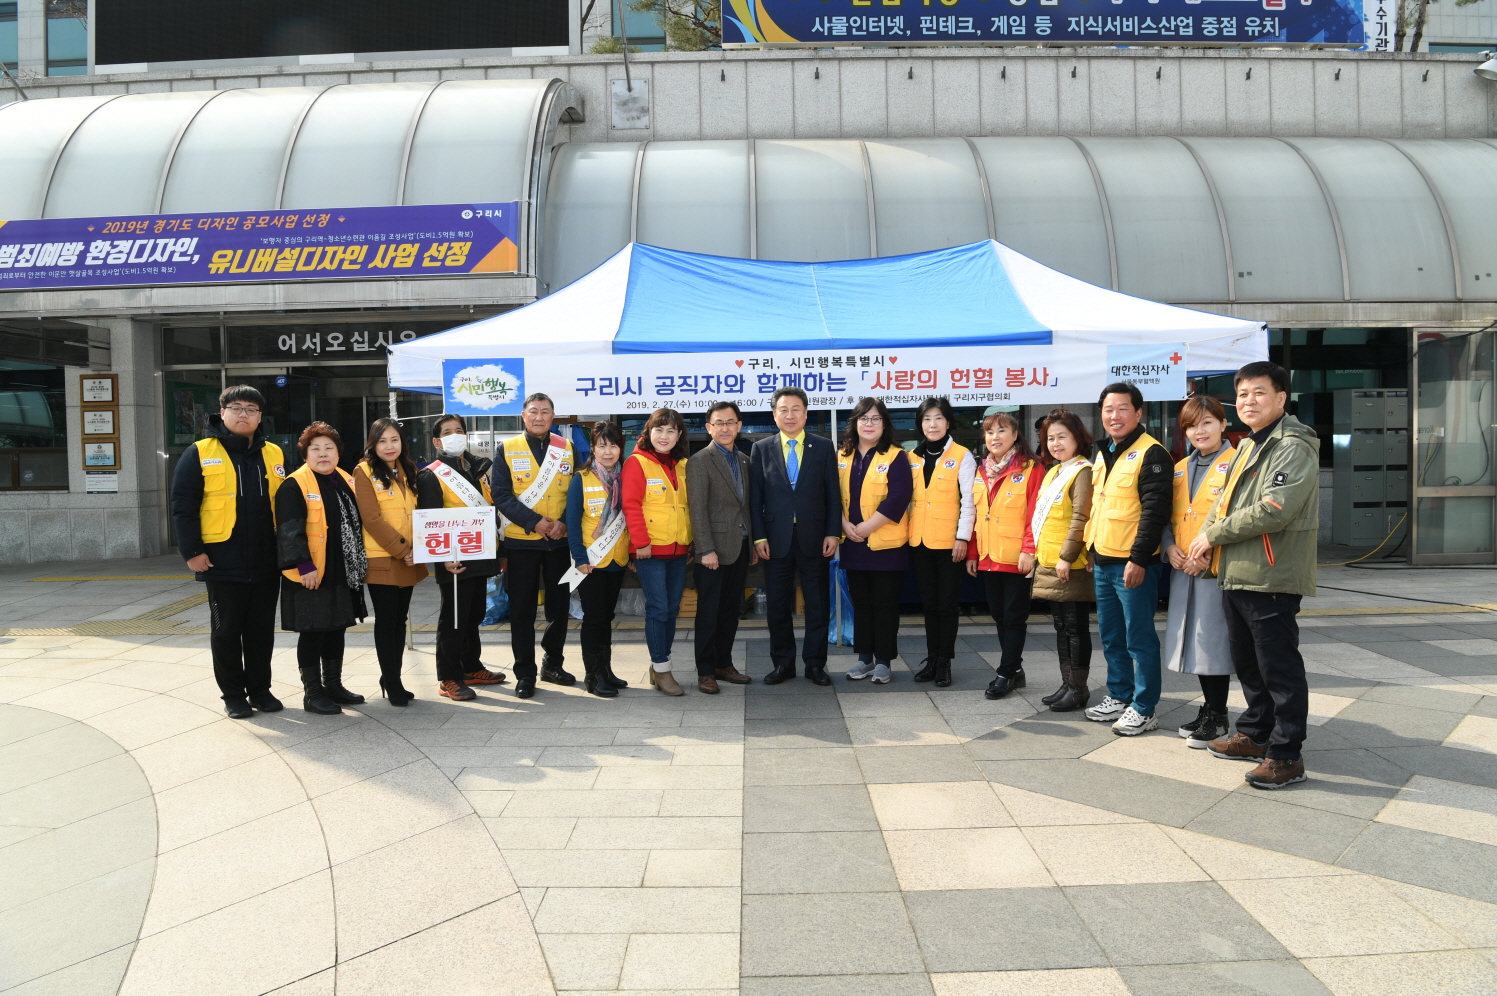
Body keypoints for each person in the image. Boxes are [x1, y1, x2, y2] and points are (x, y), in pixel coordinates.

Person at [1186, 361, 1319, 789]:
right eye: (1242, 394)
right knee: (1248, 664)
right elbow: (1222, 502)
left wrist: (1212, 535)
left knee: (1278, 668)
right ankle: (1256, 733)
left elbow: (1274, 509)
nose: (1248, 401)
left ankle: (1286, 755)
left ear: (1281, 398)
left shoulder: (1292, 445)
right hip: (1239, 570)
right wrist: (1205, 536)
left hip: (1271, 574)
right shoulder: (1248, 445)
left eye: (1259, 393)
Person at [171, 385, 287, 720]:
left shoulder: (274, 454)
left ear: (260, 416)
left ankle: (260, 691)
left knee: (261, 630)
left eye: (251, 409)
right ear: (221, 413)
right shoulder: (199, 452)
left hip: (266, 559)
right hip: (221, 560)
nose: (243, 414)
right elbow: (183, 506)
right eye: (235, 407)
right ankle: (233, 695)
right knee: (226, 631)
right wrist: (192, 551)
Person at [1082, 382, 1173, 736]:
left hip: (1134, 565)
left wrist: (1138, 558)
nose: (1114, 416)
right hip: (1104, 562)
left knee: (1139, 637)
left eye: (1122, 408)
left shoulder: (1152, 453)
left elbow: (1154, 512)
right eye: (1108, 409)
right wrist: (1092, 550)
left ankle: (1145, 706)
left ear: (1138, 413)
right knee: (1112, 634)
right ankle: (1119, 695)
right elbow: (1102, 506)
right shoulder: (1106, 452)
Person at [275, 423, 368, 715]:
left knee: (336, 627)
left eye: (329, 447)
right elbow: (289, 529)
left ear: (338, 453)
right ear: (305, 454)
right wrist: (304, 565)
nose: (323, 453)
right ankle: (312, 693)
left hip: (341, 568)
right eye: (315, 448)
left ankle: (334, 686)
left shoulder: (345, 479)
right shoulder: (294, 484)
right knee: (313, 630)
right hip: (310, 571)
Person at [750, 387, 841, 686]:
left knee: (817, 604)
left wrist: (832, 532)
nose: (790, 415)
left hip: (815, 537)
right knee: (777, 606)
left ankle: (815, 664)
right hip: (775, 540)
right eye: (784, 410)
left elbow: (832, 494)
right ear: (774, 414)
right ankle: (783, 664)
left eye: (796, 409)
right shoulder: (761, 448)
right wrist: (759, 537)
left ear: (805, 413)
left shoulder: (823, 446)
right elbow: (755, 499)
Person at [1162, 397, 1237, 746]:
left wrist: (1207, 554)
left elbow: (1239, 519)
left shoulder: (1238, 463)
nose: (1199, 431)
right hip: (1183, 570)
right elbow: (1166, 518)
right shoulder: (1178, 469)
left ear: (1223, 424)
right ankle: (1211, 708)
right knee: (1194, 641)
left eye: (1207, 422)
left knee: (1213, 643)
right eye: (1192, 425)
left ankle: (1219, 716)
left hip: (1217, 569)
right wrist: (1169, 548)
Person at [417, 413, 507, 702]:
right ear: (436, 440)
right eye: (447, 432)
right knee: (453, 620)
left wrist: (499, 552)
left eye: (459, 430)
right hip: (453, 558)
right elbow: (429, 520)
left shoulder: (477, 469)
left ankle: (471, 666)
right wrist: (441, 557)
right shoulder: (432, 474)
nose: (454, 435)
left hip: (480, 554)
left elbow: (491, 512)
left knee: (474, 614)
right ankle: (449, 676)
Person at [492, 393, 576, 699]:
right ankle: (524, 673)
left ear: (553, 416)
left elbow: (577, 491)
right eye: (533, 412)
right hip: (521, 543)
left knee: (559, 608)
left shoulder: (566, 448)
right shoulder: (507, 448)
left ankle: (553, 663)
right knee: (522, 610)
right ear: (523, 416)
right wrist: (535, 522)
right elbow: (500, 494)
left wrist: (565, 521)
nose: (539, 417)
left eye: (545, 412)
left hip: (559, 541)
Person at [967, 411, 1044, 699]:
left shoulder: (1031, 467)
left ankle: (1005, 672)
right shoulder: (981, 469)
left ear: (1015, 435)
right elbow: (975, 513)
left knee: (1013, 617)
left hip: (1016, 557)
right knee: (999, 615)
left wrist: (1029, 549)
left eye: (1001, 431)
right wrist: (973, 551)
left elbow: (1035, 513)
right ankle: (1014, 669)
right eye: (989, 432)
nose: (994, 437)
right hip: (988, 555)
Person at [837, 397, 914, 684]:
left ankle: (883, 661)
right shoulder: (841, 456)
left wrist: (867, 527)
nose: (869, 424)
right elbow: (833, 496)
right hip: (853, 543)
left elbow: (898, 498)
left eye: (875, 419)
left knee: (885, 604)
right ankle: (863, 659)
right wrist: (844, 524)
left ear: (884, 424)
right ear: (855, 423)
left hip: (887, 546)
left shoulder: (896, 456)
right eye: (863, 419)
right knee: (861, 604)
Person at [352, 417, 428, 706]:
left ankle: (391, 677)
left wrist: (417, 548)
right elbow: (371, 519)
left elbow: (417, 513)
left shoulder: (408, 470)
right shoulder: (365, 471)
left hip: (410, 556)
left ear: (402, 442)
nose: (389, 446)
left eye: (394, 440)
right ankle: (392, 681)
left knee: (400, 619)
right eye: (382, 440)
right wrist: (402, 548)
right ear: (373, 443)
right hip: (384, 557)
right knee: (386, 621)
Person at [686, 401, 757, 694]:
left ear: (739, 426)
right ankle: (705, 670)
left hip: (740, 547)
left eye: (730, 422)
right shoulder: (700, 460)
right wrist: (705, 549)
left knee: (730, 611)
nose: (725, 428)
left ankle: (723, 664)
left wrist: (751, 543)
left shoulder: (744, 459)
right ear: (708, 428)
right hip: (713, 551)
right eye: (719, 423)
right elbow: (697, 509)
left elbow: (747, 507)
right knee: (709, 612)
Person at [623, 407, 694, 695]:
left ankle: (658, 664)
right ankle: (663, 668)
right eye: (659, 429)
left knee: (672, 610)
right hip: (649, 551)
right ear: (649, 432)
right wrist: (640, 543)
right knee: (658, 608)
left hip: (679, 550)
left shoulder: (683, 464)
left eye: (671, 430)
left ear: (679, 435)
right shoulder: (637, 463)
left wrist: (692, 542)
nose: (664, 436)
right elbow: (631, 504)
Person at [907, 397, 977, 687]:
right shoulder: (911, 456)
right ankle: (932, 659)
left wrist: (963, 538)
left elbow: (969, 502)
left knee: (947, 605)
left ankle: (945, 661)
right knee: (929, 605)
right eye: (926, 419)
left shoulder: (963, 455)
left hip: (950, 544)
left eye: (938, 418)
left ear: (948, 422)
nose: (932, 424)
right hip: (918, 542)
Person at [1030, 409, 1096, 713]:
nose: (1056, 443)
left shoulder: (1082, 471)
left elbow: (1082, 516)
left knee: (1075, 626)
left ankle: (1078, 688)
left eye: (1062, 437)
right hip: (1050, 560)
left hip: (1069, 563)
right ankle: (1067, 683)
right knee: (1060, 626)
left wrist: (1068, 556)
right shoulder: (1055, 470)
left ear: (1077, 438)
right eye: (1050, 438)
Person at [565, 421, 633, 698]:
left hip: (617, 560)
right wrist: (580, 557)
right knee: (593, 618)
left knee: (607, 617)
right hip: (591, 562)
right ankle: (593, 676)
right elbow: (571, 522)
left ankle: (606, 669)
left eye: (614, 445)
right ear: (592, 448)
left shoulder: (627, 477)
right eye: (602, 445)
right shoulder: (581, 479)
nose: (608, 451)